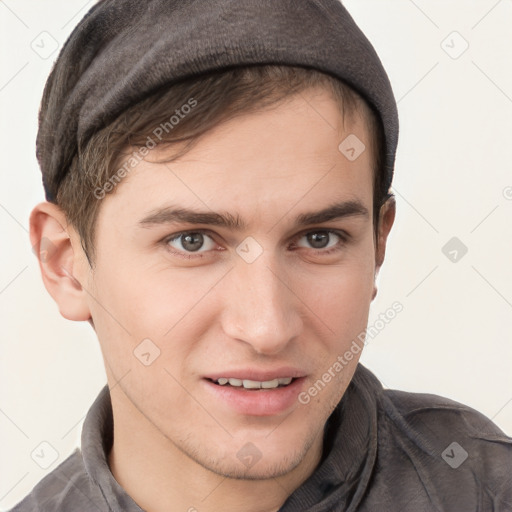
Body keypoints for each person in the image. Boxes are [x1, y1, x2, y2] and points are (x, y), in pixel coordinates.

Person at [11, 0, 511, 511]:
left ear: (378, 248)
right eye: (193, 241)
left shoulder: (486, 488)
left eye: (320, 238)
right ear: (66, 264)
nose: (267, 327)